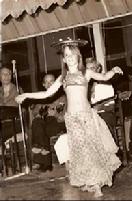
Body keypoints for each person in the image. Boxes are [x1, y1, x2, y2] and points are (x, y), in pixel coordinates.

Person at [16, 40, 123, 198]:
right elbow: (46, 94)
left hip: (86, 116)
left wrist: (113, 70)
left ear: (78, 57)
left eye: (73, 54)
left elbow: (105, 76)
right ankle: (88, 180)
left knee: (91, 150)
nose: (70, 57)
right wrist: (26, 95)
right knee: (80, 152)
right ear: (64, 59)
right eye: (67, 55)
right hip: (72, 119)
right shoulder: (63, 78)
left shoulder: (86, 73)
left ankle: (97, 183)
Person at [30, 73, 67, 172]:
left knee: (42, 130)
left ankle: (42, 161)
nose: (49, 84)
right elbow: (35, 113)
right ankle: (45, 158)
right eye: (46, 82)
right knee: (37, 123)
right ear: (44, 85)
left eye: (51, 81)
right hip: (44, 123)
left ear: (56, 83)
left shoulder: (62, 97)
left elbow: (65, 117)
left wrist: (55, 114)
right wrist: (40, 114)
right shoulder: (41, 98)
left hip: (57, 123)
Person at [86, 57, 116, 141]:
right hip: (90, 116)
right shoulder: (85, 86)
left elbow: (111, 106)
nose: (90, 72)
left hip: (105, 115)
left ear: (98, 69)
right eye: (88, 69)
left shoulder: (106, 84)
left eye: (92, 68)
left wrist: (100, 108)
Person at [0, 67, 23, 142]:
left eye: (9, 74)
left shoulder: (17, 89)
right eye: (4, 74)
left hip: (14, 123)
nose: (7, 76)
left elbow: (23, 107)